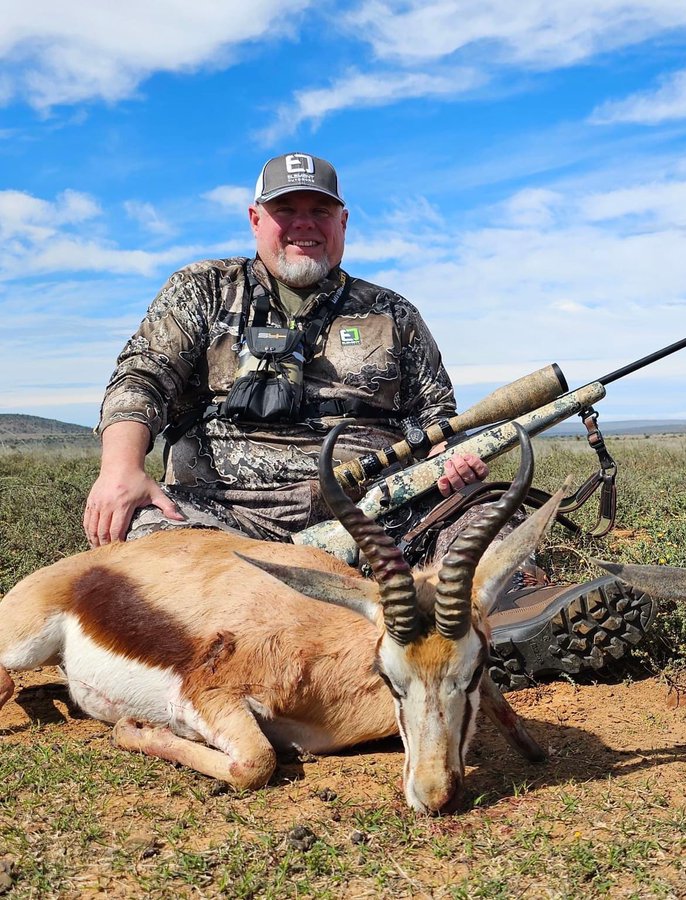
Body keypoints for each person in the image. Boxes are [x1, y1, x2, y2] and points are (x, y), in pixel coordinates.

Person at [86, 152, 654, 689]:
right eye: (287, 210)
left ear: (343, 221)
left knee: (481, 512)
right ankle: (397, 634)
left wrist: (447, 462)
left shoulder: (393, 313)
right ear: (256, 219)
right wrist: (120, 470)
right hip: (229, 514)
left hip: (378, 518)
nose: (303, 224)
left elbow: (438, 420)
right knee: (142, 533)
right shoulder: (203, 290)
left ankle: (507, 627)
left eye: (320, 211)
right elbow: (141, 378)